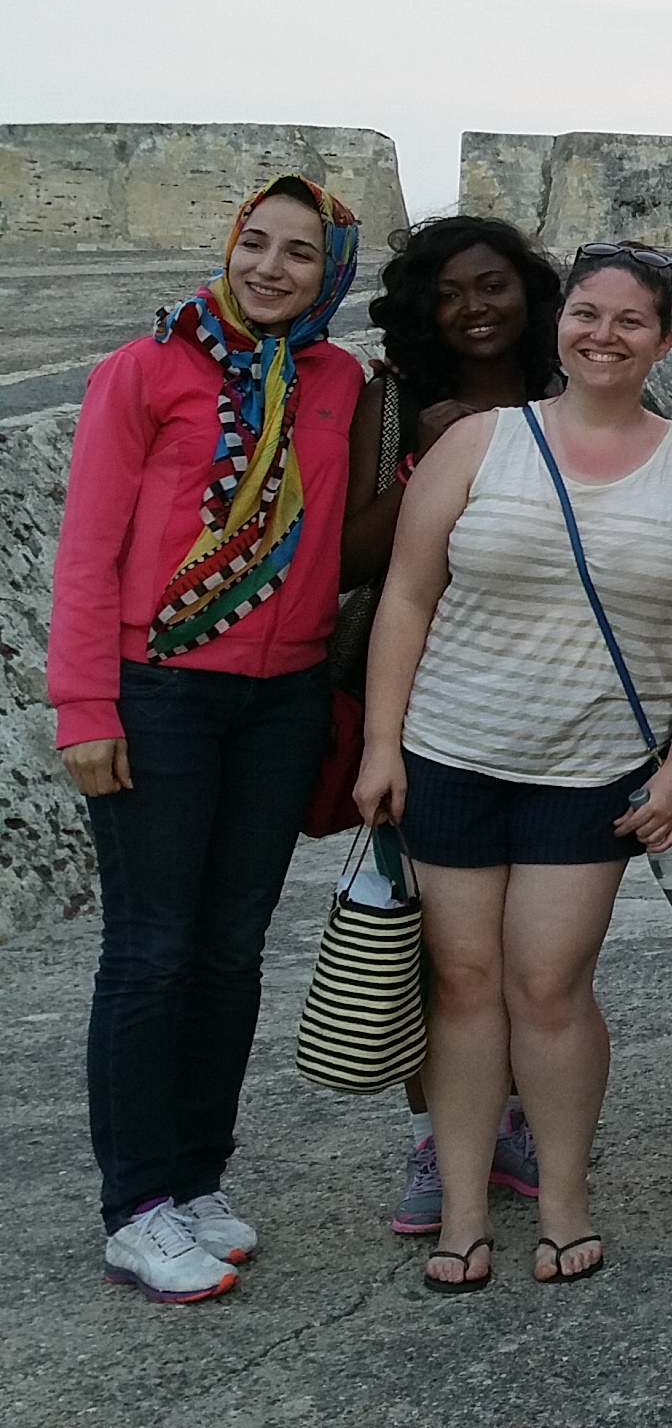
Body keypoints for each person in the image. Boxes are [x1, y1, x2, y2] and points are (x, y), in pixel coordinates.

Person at [355, 244, 672, 1290]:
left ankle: (564, 1199)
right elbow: (407, 595)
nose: (603, 335)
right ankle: (464, 1210)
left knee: (549, 987)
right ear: (560, 323)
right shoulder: (480, 443)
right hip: (452, 753)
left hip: (593, 770)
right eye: (587, 313)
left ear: (665, 342)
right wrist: (383, 744)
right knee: (463, 984)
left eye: (630, 321)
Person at [51, 175, 364, 1303]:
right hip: (161, 693)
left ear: (330, 273)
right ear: (230, 247)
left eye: (299, 252)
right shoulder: (146, 370)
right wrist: (84, 708)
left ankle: (195, 1180)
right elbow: (88, 547)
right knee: (152, 950)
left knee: (232, 949)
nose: (270, 268)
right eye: (255, 244)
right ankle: (136, 1207)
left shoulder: (339, 381)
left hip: (281, 701)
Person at [342, 214, 567, 1238]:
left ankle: (512, 1119)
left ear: (529, 293)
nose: (474, 308)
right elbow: (352, 557)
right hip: (430, 701)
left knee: (539, 948)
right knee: (442, 948)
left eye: (493, 285)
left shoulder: (573, 392)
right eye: (449, 293)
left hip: (559, 703)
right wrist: (433, 457)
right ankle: (437, 1138)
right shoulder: (395, 404)